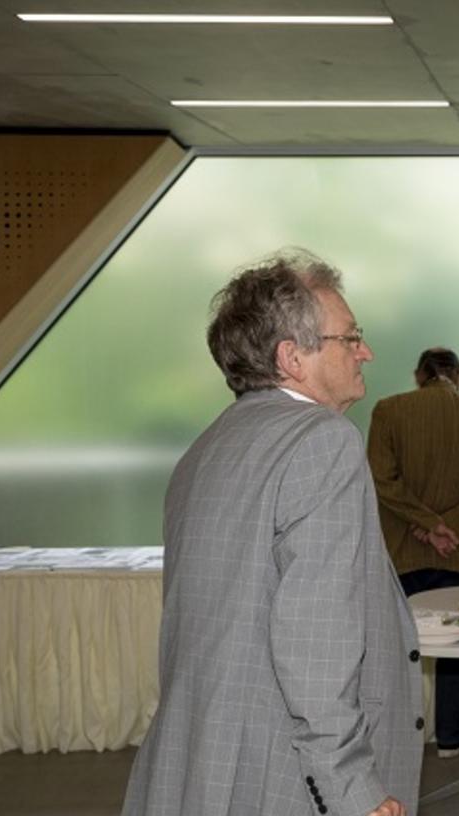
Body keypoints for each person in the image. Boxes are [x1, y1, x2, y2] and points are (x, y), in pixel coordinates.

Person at [122, 248, 420, 816]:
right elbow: (314, 636)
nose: (366, 351)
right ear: (292, 357)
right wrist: (351, 789)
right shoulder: (322, 441)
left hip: (198, 762)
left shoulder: (206, 450)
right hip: (280, 774)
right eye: (349, 337)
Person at [366, 347, 459, 757]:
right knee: (455, 648)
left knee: (395, 648)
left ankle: (394, 741)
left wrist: (426, 524)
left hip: (401, 556)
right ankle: (449, 733)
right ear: (458, 376)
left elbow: (380, 480)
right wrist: (451, 528)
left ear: (419, 375)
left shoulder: (388, 412)